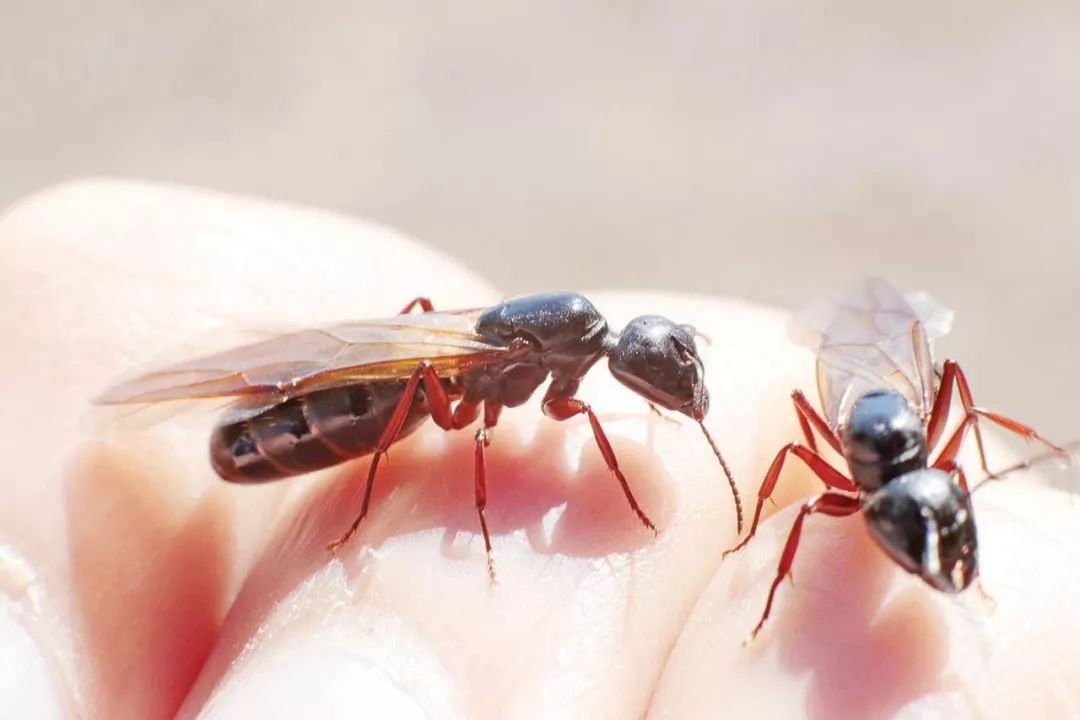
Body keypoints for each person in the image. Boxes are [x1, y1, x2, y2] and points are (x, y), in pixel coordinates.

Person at [2, 180, 1078, 719]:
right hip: (319, 420)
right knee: (426, 379)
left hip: (405, 405)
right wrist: (463, 515)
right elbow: (440, 372)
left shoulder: (575, 367)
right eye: (665, 380)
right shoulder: (491, 366)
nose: (663, 395)